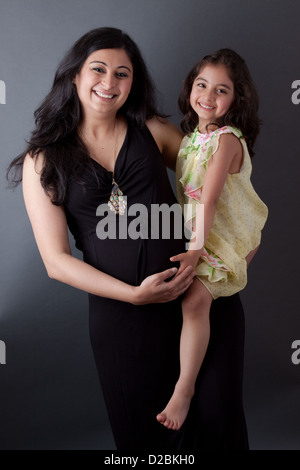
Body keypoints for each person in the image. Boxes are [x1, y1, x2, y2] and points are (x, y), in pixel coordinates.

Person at [7, 29, 249, 450]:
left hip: (200, 303)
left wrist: (240, 245)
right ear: (74, 76)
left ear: (132, 83)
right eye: (98, 69)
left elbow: (222, 182)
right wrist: (134, 295)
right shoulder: (43, 159)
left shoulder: (152, 131)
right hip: (123, 323)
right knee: (148, 443)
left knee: (218, 426)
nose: (109, 82)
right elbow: (55, 261)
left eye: (123, 73)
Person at [156, 49, 268, 431]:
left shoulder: (226, 140)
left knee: (194, 301)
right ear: (191, 87)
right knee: (185, 304)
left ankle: (183, 391)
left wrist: (195, 250)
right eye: (202, 84)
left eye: (222, 90)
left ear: (236, 100)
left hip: (228, 237)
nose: (208, 95)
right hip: (205, 232)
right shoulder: (190, 140)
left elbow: (209, 198)